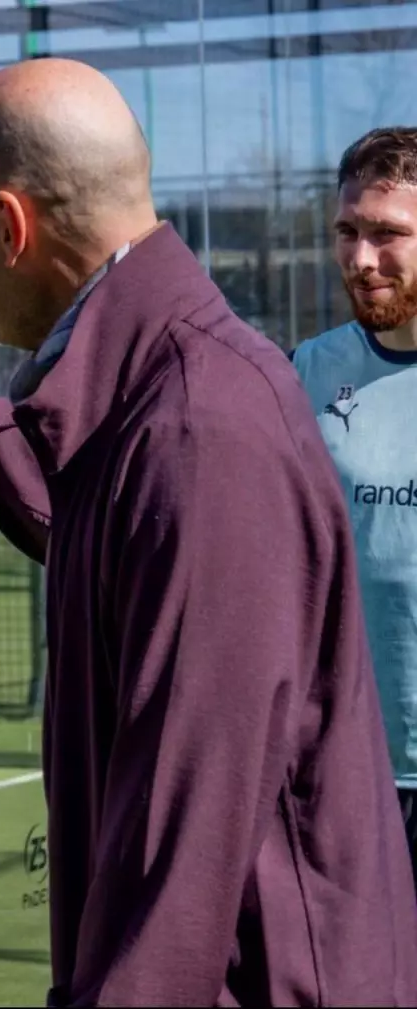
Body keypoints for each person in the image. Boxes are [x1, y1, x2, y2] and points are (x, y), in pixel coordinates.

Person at [0, 60, 417, 1006]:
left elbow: (181, 837)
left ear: (11, 227)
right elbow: (90, 533)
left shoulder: (195, 427)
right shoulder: (154, 399)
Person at [291, 126, 417, 887]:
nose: (361, 259)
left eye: (389, 234)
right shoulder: (307, 370)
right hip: (345, 776)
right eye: (348, 231)